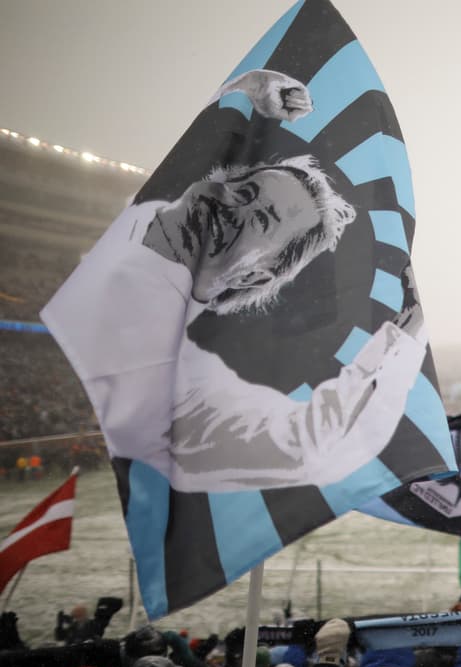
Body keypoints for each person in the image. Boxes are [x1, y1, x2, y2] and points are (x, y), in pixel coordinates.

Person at [41, 68, 428, 494]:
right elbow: (197, 148)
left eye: (260, 220)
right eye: (244, 190)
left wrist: (398, 344)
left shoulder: (180, 387)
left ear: (255, 274)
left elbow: (307, 444)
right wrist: (246, 90)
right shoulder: (120, 216)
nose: (231, 206)